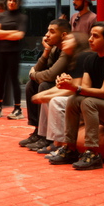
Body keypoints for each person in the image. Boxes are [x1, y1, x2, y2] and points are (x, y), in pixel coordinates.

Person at [49, 22, 104, 170]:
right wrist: (68, 84)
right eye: (90, 35)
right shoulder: (90, 59)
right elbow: (85, 90)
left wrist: (74, 87)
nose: (90, 39)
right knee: (74, 99)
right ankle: (70, 148)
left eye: (95, 36)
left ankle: (93, 153)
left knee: (88, 102)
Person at [31, 32, 91, 156]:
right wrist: (44, 94)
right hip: (81, 95)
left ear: (78, 42)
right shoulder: (73, 58)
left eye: (68, 39)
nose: (64, 41)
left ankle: (59, 142)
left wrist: (46, 96)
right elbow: (65, 86)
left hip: (88, 97)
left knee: (55, 100)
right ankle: (46, 137)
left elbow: (76, 87)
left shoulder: (84, 56)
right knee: (47, 97)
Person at [18, 18, 72, 147]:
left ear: (64, 35)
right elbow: (40, 70)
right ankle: (38, 130)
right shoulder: (54, 48)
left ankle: (47, 135)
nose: (47, 35)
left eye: (52, 32)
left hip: (70, 87)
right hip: (58, 84)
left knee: (44, 85)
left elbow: (50, 75)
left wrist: (33, 75)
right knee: (31, 85)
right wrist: (46, 51)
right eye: (47, 31)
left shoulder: (68, 49)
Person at [0, 0, 27, 118]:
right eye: (10, 0)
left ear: (19, 3)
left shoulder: (22, 17)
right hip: (0, 51)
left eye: (14, 0)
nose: (11, 2)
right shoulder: (2, 16)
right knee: (0, 79)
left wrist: (4, 33)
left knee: (14, 79)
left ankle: (17, 109)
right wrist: (11, 33)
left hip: (13, 52)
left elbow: (19, 35)